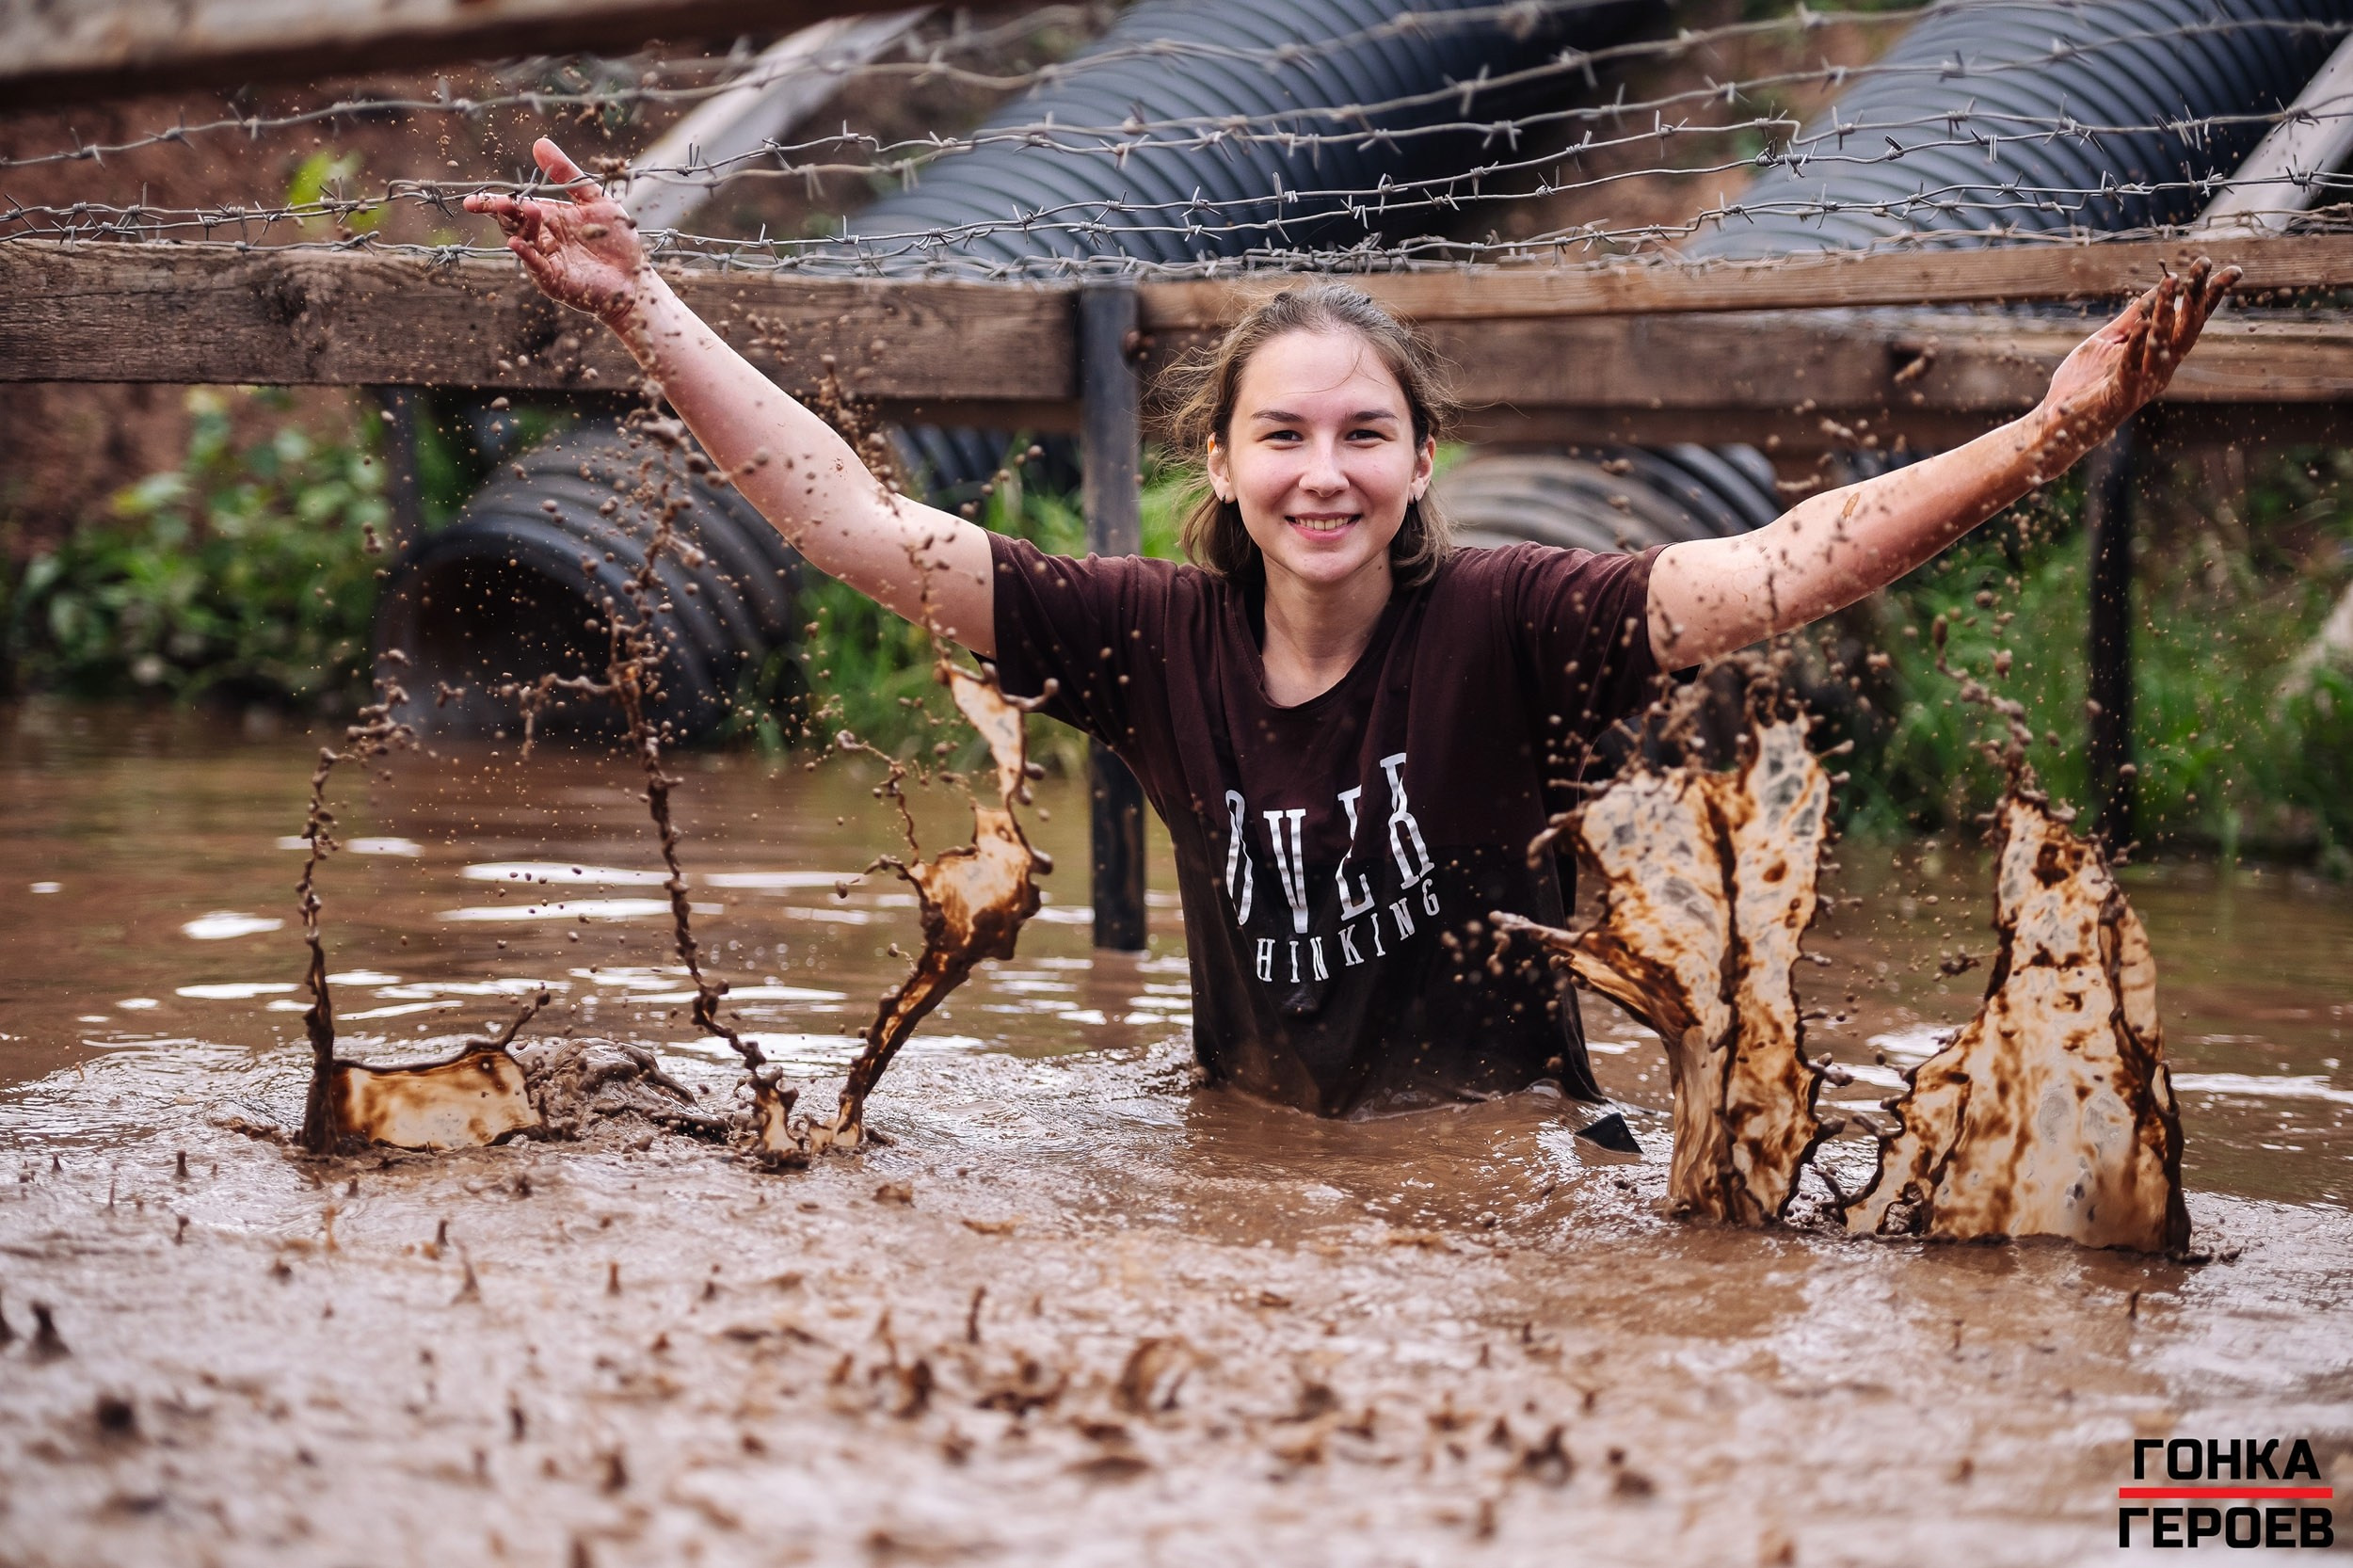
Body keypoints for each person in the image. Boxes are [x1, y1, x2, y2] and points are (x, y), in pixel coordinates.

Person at [468, 137, 2236, 1118]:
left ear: (1422, 456)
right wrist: (649, 308)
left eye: (1364, 434)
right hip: (1247, 1143)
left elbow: (1790, 564)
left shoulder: (1526, 622)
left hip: (1517, 1170)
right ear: (1223, 468)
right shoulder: (1146, 638)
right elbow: (857, 524)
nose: (1327, 473)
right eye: (1285, 438)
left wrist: (2049, 430)